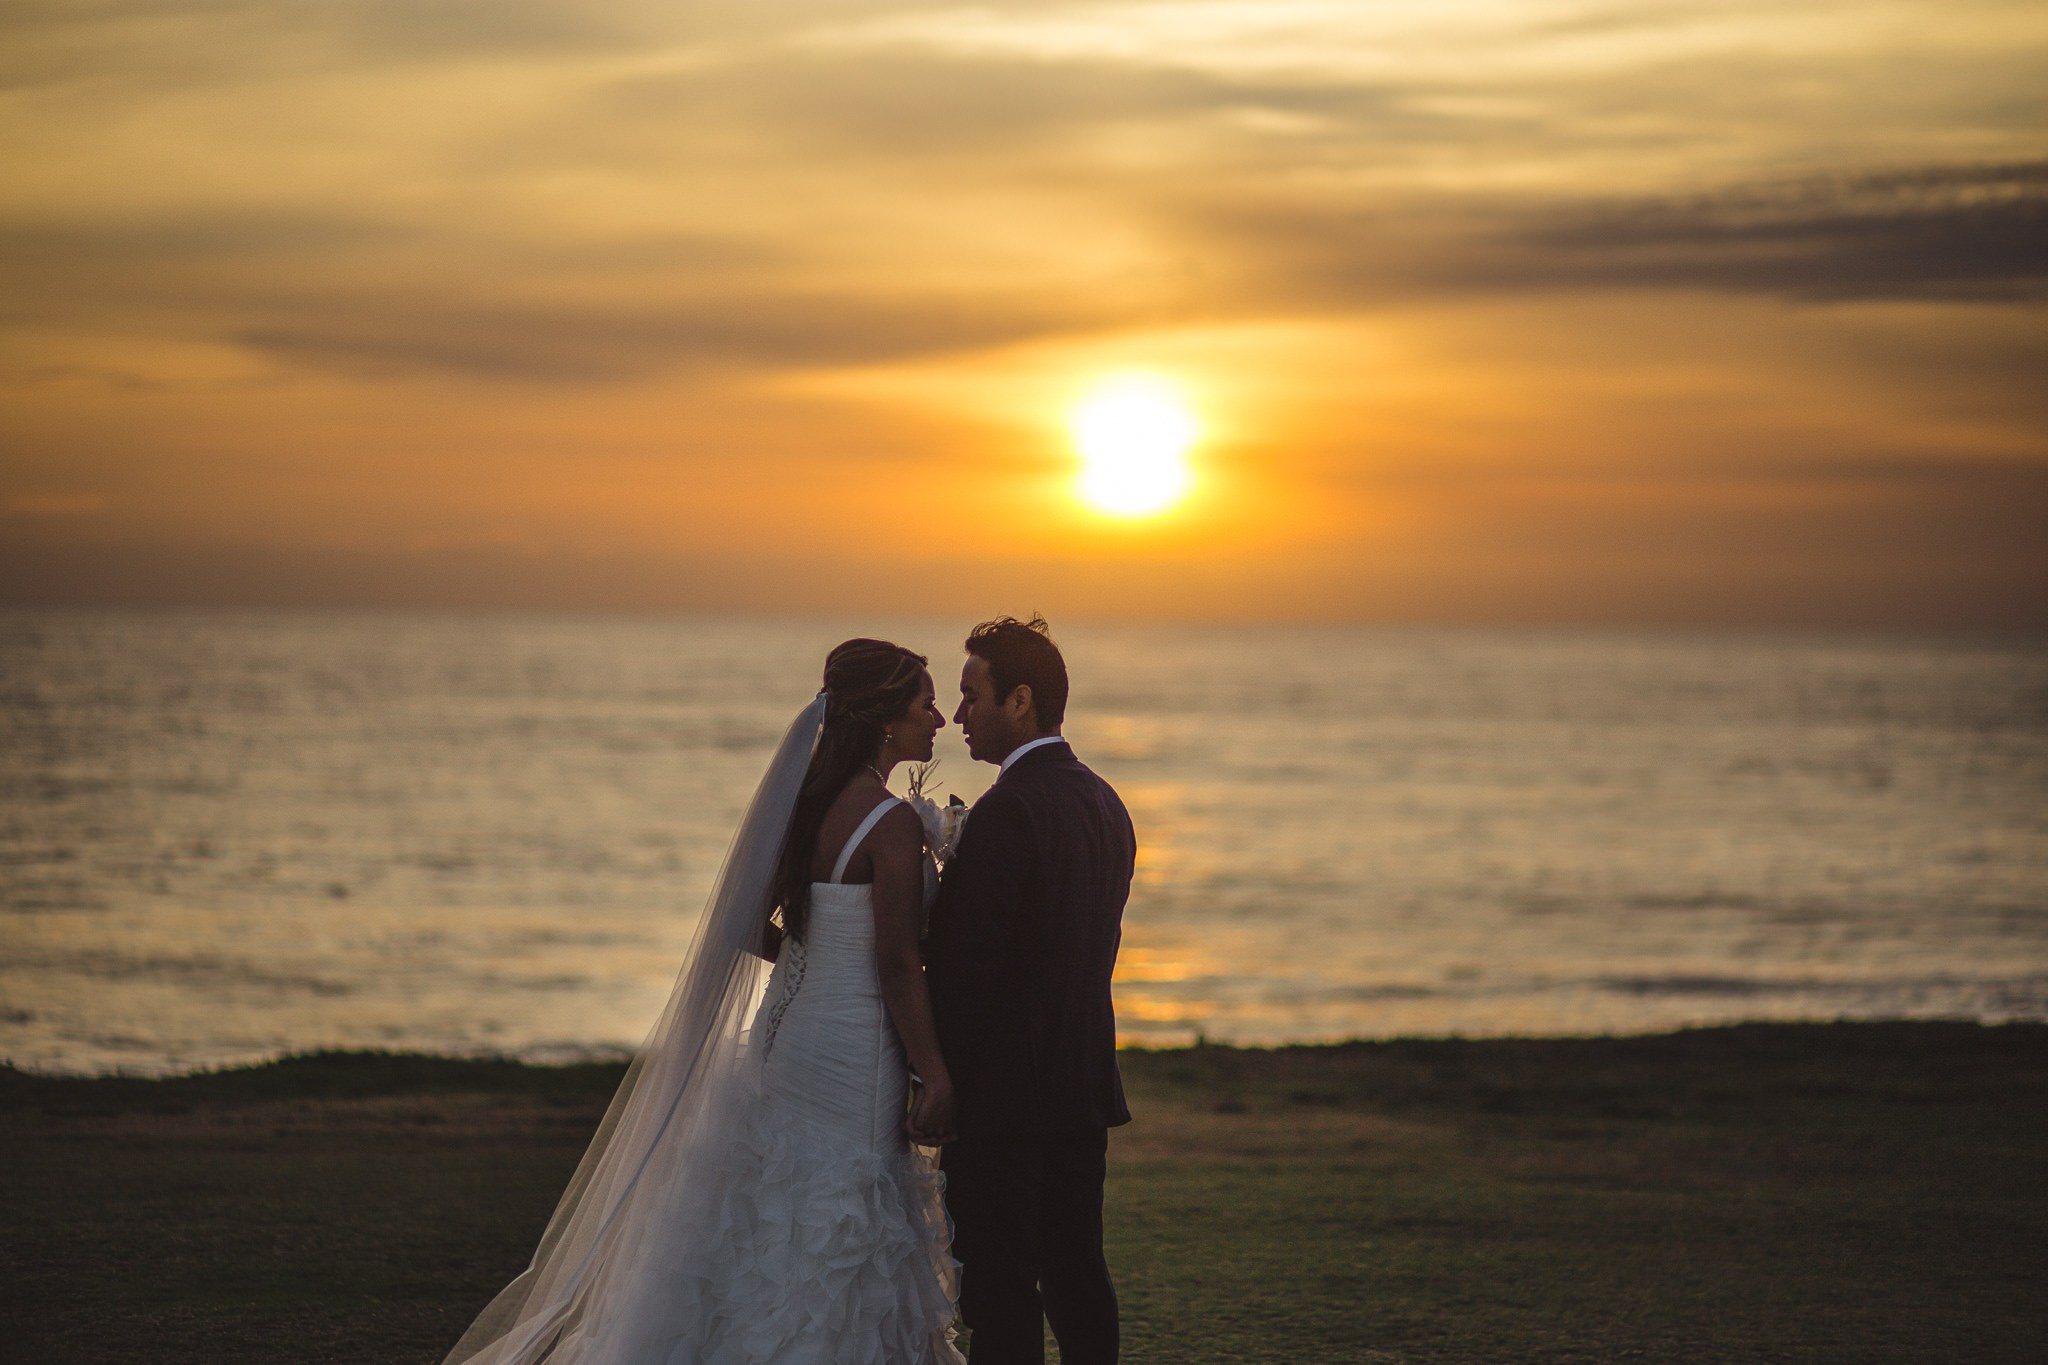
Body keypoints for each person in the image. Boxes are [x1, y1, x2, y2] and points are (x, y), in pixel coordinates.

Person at [442, 638, 964, 1365]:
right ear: (884, 716)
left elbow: (743, 921)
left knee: (779, 1199)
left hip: (787, 1037)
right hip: (853, 1047)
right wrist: (935, 1074)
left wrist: (814, 955)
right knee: (842, 1206)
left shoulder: (803, 806)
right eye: (925, 703)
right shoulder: (889, 822)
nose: (938, 718)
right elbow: (899, 962)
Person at [925, 615, 1137, 1365]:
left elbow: (971, 970)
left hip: (1007, 1097)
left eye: (970, 695)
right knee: (1078, 1270)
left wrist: (938, 1077)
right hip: (1082, 1083)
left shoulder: (1008, 810)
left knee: (1000, 1288)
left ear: (1020, 701)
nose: (958, 715)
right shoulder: (1106, 802)